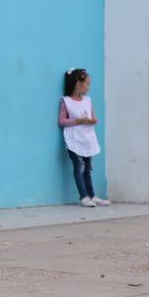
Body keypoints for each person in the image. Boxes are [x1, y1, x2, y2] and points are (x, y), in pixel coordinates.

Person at [59, 68, 110, 208]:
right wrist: (78, 121)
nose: (88, 87)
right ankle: (84, 196)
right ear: (77, 85)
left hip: (87, 138)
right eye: (87, 84)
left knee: (87, 168)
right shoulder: (66, 101)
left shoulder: (88, 100)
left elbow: (94, 118)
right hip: (74, 139)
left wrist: (92, 120)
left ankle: (92, 195)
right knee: (79, 167)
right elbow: (62, 121)